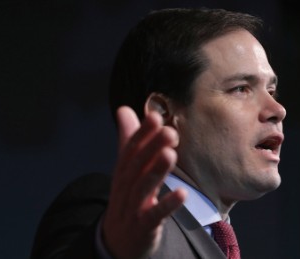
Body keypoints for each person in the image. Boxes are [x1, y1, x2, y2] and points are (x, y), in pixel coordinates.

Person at [31, 7, 286, 259]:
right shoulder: (110, 213)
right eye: (241, 89)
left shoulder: (219, 242)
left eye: (271, 91)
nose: (277, 109)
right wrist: (111, 250)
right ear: (162, 113)